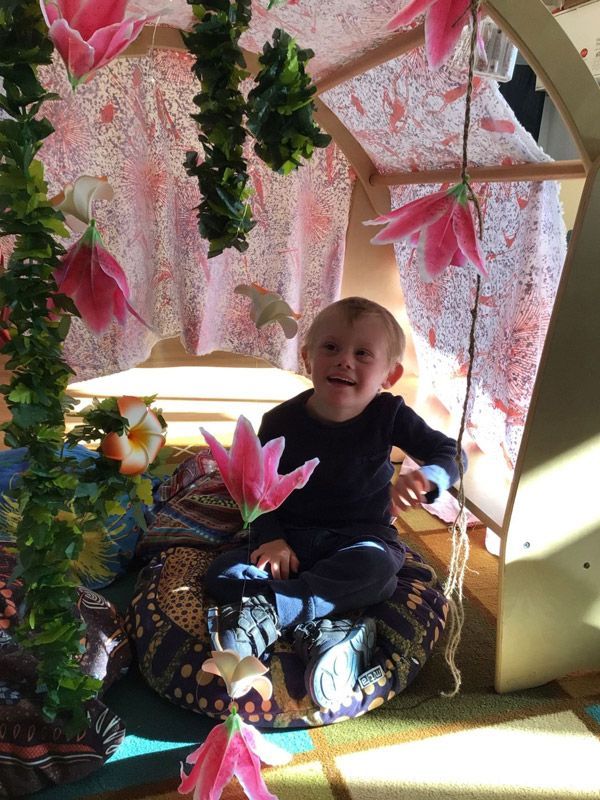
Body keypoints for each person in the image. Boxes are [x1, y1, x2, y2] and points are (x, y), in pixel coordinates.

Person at [204, 296, 463, 708]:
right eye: (331, 348)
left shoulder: (389, 414)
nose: (345, 361)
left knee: (378, 571)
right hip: (291, 541)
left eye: (362, 353)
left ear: (389, 375)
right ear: (307, 358)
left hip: (359, 539)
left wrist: (431, 476)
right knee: (220, 572)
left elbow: (449, 452)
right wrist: (270, 537)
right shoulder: (279, 422)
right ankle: (328, 628)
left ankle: (272, 612)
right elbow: (256, 492)